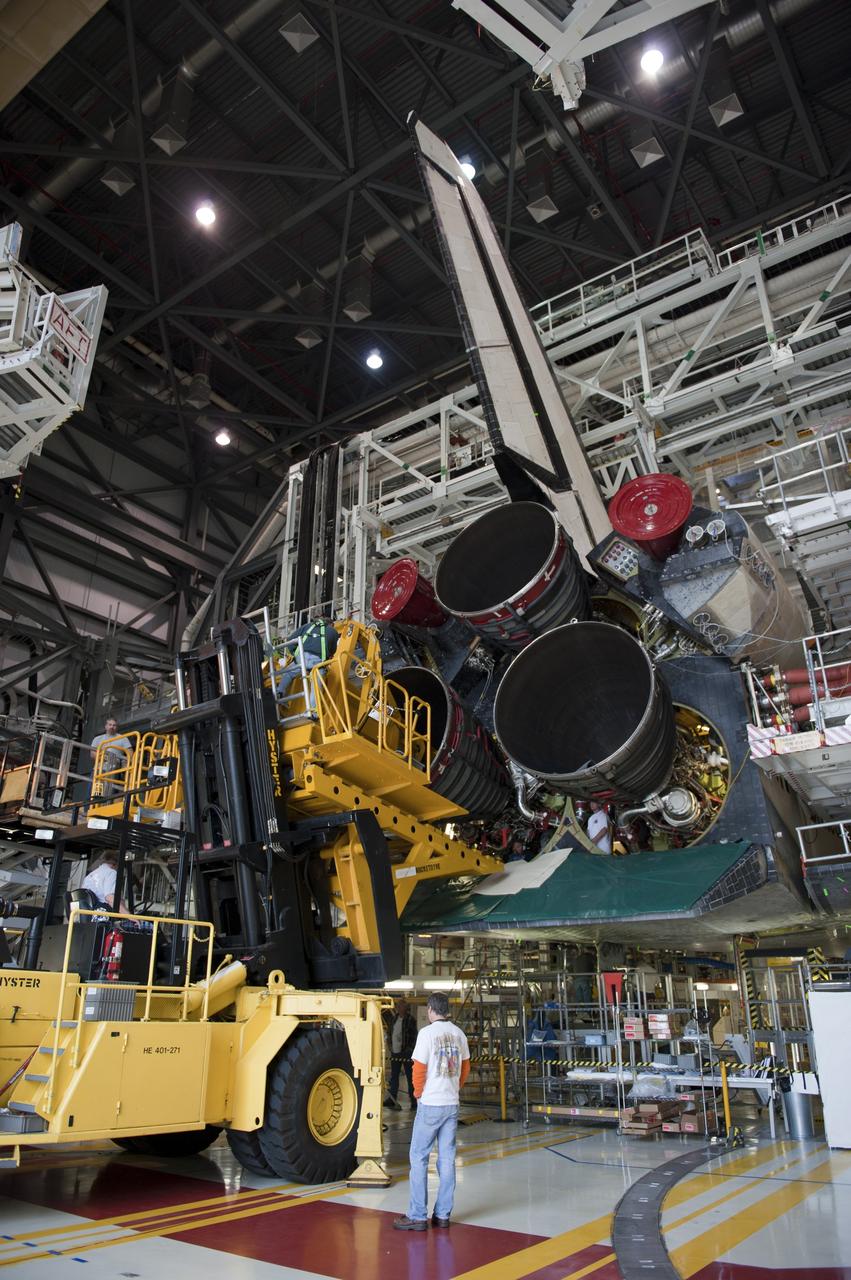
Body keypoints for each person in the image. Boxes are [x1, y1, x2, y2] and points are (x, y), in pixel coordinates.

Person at [393, 991, 470, 1232]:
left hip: (431, 1104)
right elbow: (465, 1067)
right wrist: (455, 1087)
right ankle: (443, 1214)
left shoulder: (426, 1034)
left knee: (419, 1157)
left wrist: (418, 1094)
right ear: (447, 1010)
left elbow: (418, 1069)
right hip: (451, 1104)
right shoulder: (459, 1034)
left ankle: (417, 1215)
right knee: (447, 1159)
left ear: (429, 1010)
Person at [384, 997, 418, 1111]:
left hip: (407, 1053)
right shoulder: (394, 1019)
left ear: (405, 1007)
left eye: (400, 1006)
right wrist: (390, 1046)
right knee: (394, 1077)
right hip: (395, 1052)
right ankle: (392, 1099)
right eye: (397, 1006)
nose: (398, 1008)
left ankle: (414, 1101)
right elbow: (389, 1033)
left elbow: (414, 1036)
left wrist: (409, 1049)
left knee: (410, 1077)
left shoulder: (411, 1020)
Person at [90, 718, 132, 797]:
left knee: (110, 794)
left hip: (114, 769)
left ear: (117, 727)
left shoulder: (123, 738)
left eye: (114, 725)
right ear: (105, 726)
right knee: (96, 794)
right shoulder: (97, 739)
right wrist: (105, 758)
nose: (112, 727)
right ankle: (96, 801)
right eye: (110, 725)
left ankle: (107, 802)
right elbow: (92, 754)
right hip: (99, 769)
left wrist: (124, 762)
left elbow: (130, 753)